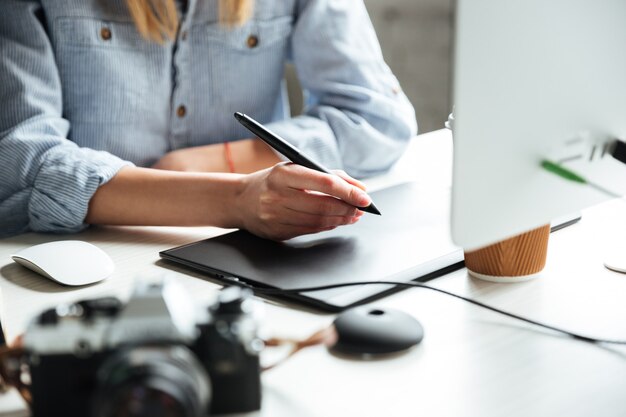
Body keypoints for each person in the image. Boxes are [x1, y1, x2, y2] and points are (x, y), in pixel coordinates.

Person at [0, 0, 416, 241]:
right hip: (87, 252)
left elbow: (379, 119)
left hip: (245, 255)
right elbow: (18, 164)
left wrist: (204, 164)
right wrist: (236, 199)